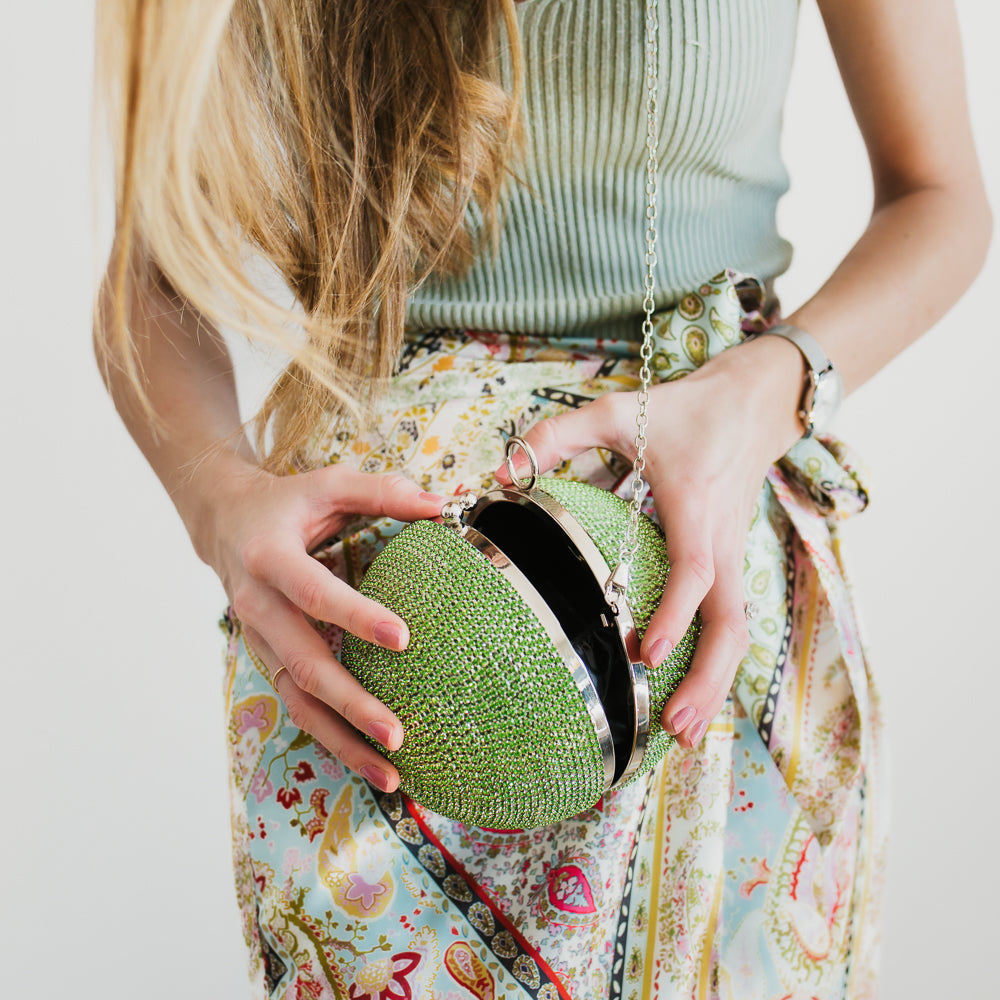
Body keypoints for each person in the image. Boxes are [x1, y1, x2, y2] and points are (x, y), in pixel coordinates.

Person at [94, 1, 989, 996]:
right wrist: (216, 497)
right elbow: (152, 269)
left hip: (696, 583)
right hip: (373, 633)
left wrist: (760, 393)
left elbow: (940, 195)